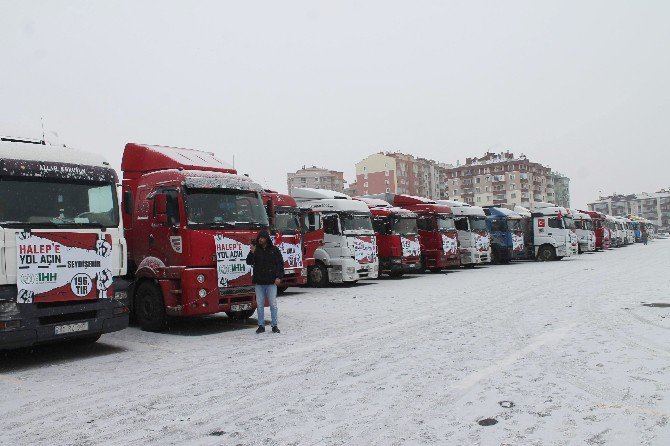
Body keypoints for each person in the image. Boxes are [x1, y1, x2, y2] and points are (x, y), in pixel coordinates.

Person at [246, 230, 284, 334]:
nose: (260, 240)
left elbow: (280, 264)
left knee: (273, 304)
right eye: (259, 238)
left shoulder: (274, 250)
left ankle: (274, 325)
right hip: (259, 282)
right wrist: (251, 252)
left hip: (271, 282)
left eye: (262, 238)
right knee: (260, 305)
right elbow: (249, 261)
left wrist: (279, 277)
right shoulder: (256, 250)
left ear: (266, 238)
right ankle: (261, 325)